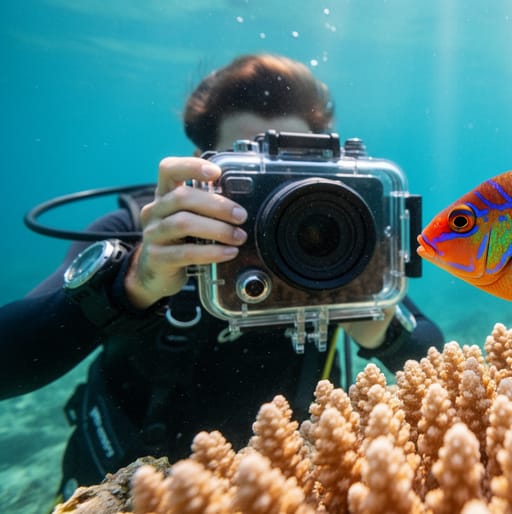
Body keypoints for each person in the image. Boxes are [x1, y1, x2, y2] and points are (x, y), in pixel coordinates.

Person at [0, 53, 443, 499]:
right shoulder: (142, 234)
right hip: (132, 496)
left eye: (298, 170)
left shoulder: (347, 236)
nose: (283, 197)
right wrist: (129, 285)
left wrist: (385, 331)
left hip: (291, 495)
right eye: (250, 172)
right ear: (200, 164)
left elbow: (436, 356)